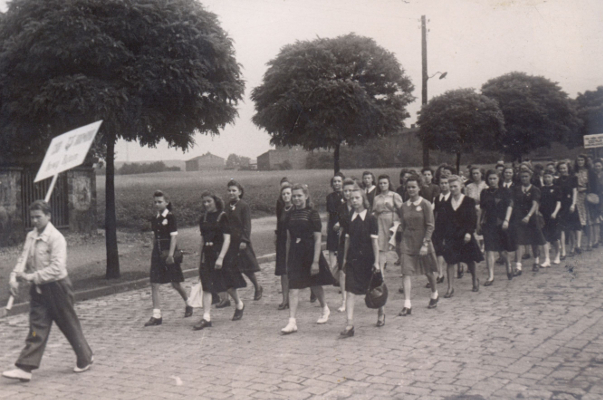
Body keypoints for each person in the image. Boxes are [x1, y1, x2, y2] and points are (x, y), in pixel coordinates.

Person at [3, 200, 93, 382]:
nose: (35, 221)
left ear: (48, 216)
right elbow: (23, 260)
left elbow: (57, 268)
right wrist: (13, 278)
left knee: (69, 325)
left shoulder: (56, 238)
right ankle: (25, 367)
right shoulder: (31, 236)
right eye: (32, 217)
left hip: (57, 287)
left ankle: (85, 357)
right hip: (38, 290)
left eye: (39, 217)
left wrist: (30, 277)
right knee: (37, 327)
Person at [281, 184, 336, 334]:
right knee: (293, 287)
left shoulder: (312, 214)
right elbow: (288, 238)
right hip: (295, 253)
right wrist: (287, 259)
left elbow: (318, 239)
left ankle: (325, 308)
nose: (296, 198)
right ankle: (292, 322)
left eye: (299, 195)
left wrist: (315, 261)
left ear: (306, 196)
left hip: (310, 252)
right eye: (294, 196)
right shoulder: (290, 214)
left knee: (315, 283)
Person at [193, 191, 247, 330]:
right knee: (206, 285)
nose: (206, 204)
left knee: (227, 284)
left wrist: (221, 258)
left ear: (215, 201)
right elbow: (202, 239)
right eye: (204, 202)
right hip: (207, 254)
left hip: (220, 254)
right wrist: (199, 258)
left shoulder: (223, 216)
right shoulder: (203, 218)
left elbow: (227, 239)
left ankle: (239, 304)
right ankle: (206, 317)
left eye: (209, 201)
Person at [340, 186, 385, 337]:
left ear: (363, 199)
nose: (354, 201)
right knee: (350, 291)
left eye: (357, 198)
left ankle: (381, 312)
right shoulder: (348, 218)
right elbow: (347, 240)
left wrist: (377, 262)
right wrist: (345, 259)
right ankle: (349, 324)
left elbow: (374, 243)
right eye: (351, 198)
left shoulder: (371, 219)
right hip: (353, 259)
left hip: (368, 259)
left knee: (374, 289)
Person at [145, 190, 191, 327]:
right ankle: (156, 315)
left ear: (167, 202)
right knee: (154, 283)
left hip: (168, 253)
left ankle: (189, 303)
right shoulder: (155, 218)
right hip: (157, 254)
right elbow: (155, 237)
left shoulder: (171, 217)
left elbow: (174, 237)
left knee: (175, 283)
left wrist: (171, 255)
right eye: (155, 202)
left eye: (160, 202)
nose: (157, 204)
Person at [398, 176, 439, 315]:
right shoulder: (404, 206)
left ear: (419, 188)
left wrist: (425, 244)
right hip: (407, 243)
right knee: (406, 272)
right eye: (408, 187)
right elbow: (402, 226)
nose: (411, 190)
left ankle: (434, 293)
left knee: (428, 271)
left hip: (422, 242)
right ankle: (407, 304)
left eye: (413, 187)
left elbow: (430, 226)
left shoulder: (425, 204)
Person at [442, 175, 483, 297]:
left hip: (465, 235)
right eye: (451, 187)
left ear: (461, 186)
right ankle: (450, 288)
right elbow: (444, 221)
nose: (453, 188)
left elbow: (472, 219)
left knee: (469, 260)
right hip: (452, 236)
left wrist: (469, 233)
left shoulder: (468, 201)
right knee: (450, 261)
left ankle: (475, 280)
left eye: (455, 186)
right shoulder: (446, 203)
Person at [223, 180, 263, 303]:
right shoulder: (226, 206)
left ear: (240, 192)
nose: (231, 193)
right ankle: (227, 297)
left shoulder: (244, 206)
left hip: (240, 242)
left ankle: (257, 287)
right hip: (229, 242)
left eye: (234, 190)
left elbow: (247, 225)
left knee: (246, 268)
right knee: (229, 268)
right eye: (229, 190)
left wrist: (244, 240)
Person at [479, 170, 515, 282]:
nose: (492, 181)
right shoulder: (484, 192)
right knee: (489, 249)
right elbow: (482, 209)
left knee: (501, 250)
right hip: (488, 224)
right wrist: (478, 223)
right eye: (490, 179)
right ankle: (491, 276)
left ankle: (508, 265)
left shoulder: (505, 191)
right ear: (487, 180)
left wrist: (506, 220)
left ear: (499, 179)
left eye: (494, 178)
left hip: (501, 223)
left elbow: (510, 206)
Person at [513, 169, 546, 273]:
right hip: (519, 218)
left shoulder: (535, 189)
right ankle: (518, 266)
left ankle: (536, 261)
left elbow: (535, 204)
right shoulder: (517, 189)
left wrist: (528, 216)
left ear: (530, 177)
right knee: (519, 241)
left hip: (531, 218)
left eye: (526, 176)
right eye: (522, 177)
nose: (524, 178)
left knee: (534, 241)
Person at [373, 175, 403, 271]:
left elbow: (402, 210)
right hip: (380, 222)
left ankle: (404, 269)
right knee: (381, 247)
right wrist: (377, 211)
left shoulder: (395, 195)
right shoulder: (377, 198)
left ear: (389, 184)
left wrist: (392, 208)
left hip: (393, 222)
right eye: (381, 183)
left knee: (397, 246)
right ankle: (381, 272)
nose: (382, 185)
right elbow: (373, 212)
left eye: (385, 183)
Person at [334, 178, 356, 312]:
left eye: (350, 191)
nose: (348, 193)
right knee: (342, 270)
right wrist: (338, 225)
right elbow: (340, 222)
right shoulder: (341, 207)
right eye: (345, 191)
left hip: (357, 241)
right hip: (343, 241)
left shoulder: (359, 205)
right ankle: (344, 300)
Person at [555, 161, 580, 259]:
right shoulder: (557, 180)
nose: (562, 170)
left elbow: (575, 192)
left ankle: (573, 247)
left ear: (568, 168)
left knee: (572, 227)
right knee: (562, 228)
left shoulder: (573, 178)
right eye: (561, 168)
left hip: (570, 204)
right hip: (561, 205)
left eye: (564, 168)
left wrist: (573, 204)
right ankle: (563, 252)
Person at [275, 183, 293, 310]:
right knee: (283, 272)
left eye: (288, 193)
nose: (286, 196)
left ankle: (312, 291)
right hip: (282, 242)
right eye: (284, 194)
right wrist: (276, 236)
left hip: (292, 243)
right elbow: (279, 225)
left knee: (294, 270)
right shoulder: (282, 209)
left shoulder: (294, 209)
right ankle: (285, 299)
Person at [539, 171, 562, 267]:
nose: (547, 179)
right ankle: (547, 259)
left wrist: (555, 213)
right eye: (546, 177)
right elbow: (539, 202)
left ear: (552, 178)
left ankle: (557, 256)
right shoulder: (542, 189)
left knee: (555, 237)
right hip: (544, 215)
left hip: (554, 215)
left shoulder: (557, 188)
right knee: (545, 237)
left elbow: (559, 203)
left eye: (549, 177)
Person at [432, 175, 451, 284]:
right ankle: (440, 273)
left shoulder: (453, 197)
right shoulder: (437, 198)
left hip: (451, 227)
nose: (444, 185)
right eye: (442, 183)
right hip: (440, 227)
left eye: (446, 183)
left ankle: (458, 267)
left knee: (451, 249)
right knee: (439, 250)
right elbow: (436, 213)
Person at [326, 173, 346, 276]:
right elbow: (330, 212)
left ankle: (343, 273)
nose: (337, 183)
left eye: (339, 181)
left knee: (342, 248)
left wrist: (341, 222)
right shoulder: (330, 197)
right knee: (332, 248)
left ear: (343, 182)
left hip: (343, 224)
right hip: (333, 224)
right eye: (335, 181)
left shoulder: (346, 195)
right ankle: (333, 274)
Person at [574, 155, 591, 252]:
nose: (580, 162)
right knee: (578, 217)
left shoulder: (588, 172)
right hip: (576, 196)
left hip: (586, 195)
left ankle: (590, 242)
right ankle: (578, 244)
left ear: (585, 161)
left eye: (582, 160)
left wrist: (583, 189)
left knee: (587, 217)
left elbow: (591, 185)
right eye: (578, 160)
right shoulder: (574, 172)